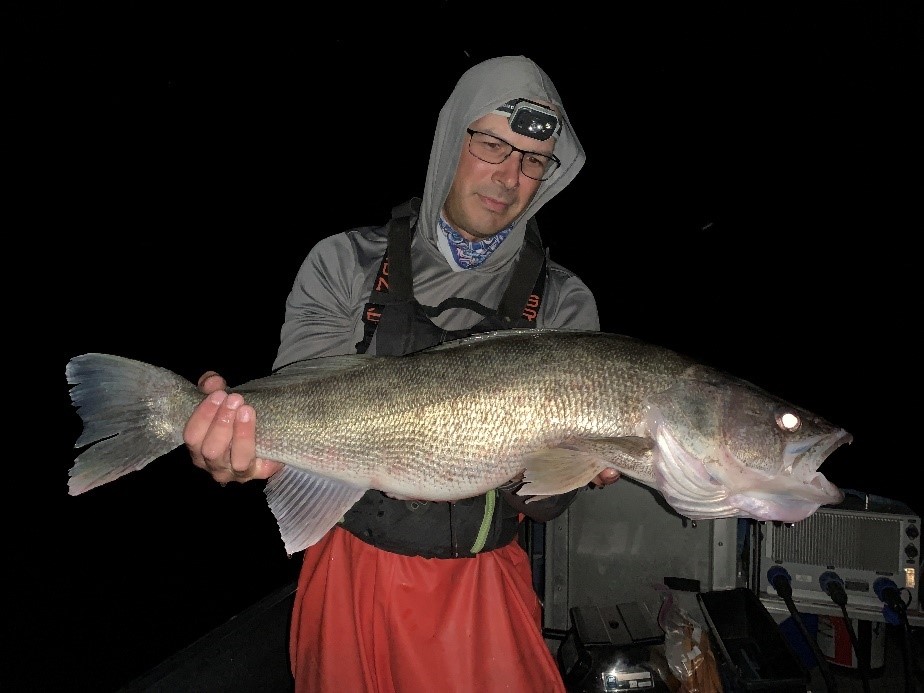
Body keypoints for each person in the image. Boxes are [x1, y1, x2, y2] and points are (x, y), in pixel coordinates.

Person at [184, 55, 620, 692]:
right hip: (348, 573)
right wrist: (246, 451)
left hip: (484, 581)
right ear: (452, 139)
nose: (509, 175)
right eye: (493, 143)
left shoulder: (563, 302)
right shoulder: (346, 262)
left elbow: (546, 502)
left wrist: (579, 467)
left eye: (533, 159)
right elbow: (295, 407)